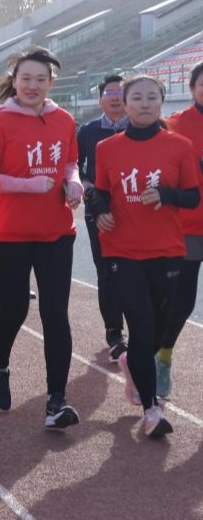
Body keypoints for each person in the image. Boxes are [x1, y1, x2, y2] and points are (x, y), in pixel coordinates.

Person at [0, 47, 83, 430]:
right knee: (14, 309)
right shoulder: (0, 121)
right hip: (8, 233)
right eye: (26, 78)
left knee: (55, 314)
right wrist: (28, 184)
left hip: (56, 231)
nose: (33, 85)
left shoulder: (64, 119)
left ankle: (57, 400)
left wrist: (73, 183)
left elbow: (70, 162)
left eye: (41, 79)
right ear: (14, 81)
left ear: (51, 83)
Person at [90, 75, 197, 439]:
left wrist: (166, 194)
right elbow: (101, 193)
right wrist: (100, 211)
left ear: (161, 102)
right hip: (122, 250)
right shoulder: (107, 148)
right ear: (125, 103)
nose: (145, 103)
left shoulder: (179, 146)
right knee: (141, 325)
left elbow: (193, 197)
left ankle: (132, 365)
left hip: (167, 250)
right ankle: (152, 410)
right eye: (137, 97)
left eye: (152, 97)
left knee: (161, 329)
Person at [77, 75, 129, 362]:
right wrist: (86, 185)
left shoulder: (144, 128)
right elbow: (74, 164)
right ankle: (114, 333)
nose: (116, 96)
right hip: (99, 210)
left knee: (137, 270)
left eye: (121, 92)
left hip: (136, 212)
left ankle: (141, 328)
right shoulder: (88, 131)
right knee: (107, 271)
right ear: (100, 100)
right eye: (110, 92)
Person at [160, 60, 203, 398]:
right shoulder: (175, 125)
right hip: (190, 225)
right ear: (192, 88)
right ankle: (163, 355)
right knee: (183, 299)